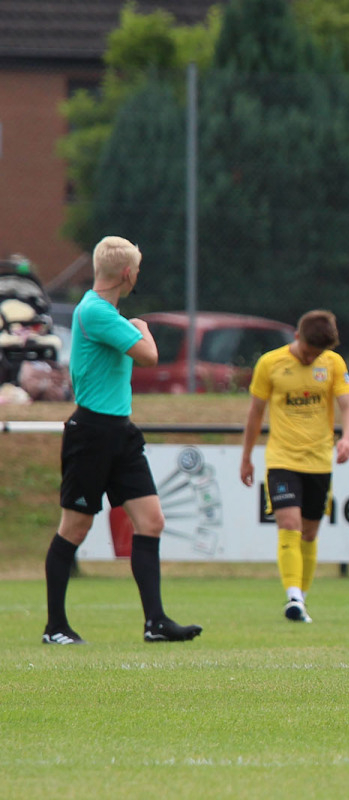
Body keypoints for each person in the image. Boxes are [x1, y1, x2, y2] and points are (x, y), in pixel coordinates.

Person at [42, 235, 202, 644]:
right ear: (128, 273)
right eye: (138, 270)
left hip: (120, 432)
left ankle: (156, 622)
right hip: (91, 433)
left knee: (151, 521)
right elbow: (148, 355)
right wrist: (143, 328)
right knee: (74, 528)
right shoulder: (95, 311)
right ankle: (55, 627)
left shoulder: (104, 312)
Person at [240, 310, 349, 623]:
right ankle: (293, 596)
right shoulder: (270, 363)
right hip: (282, 459)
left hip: (319, 461)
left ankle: (300, 601)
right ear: (296, 336)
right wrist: (246, 457)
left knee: (309, 533)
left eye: (317, 354)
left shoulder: (333, 363)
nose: (310, 358)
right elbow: (255, 413)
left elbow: (348, 405)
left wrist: (347, 438)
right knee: (289, 524)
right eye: (307, 351)